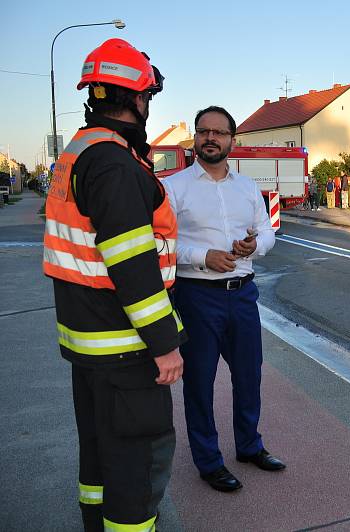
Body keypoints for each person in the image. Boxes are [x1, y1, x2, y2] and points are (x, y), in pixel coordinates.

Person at [42, 38, 184, 531]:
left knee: (100, 453)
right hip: (125, 347)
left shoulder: (81, 150)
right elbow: (131, 265)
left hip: (90, 342)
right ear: (135, 99)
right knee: (135, 464)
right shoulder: (114, 162)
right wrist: (164, 346)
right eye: (147, 98)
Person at [164, 106, 286, 493]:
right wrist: (204, 257)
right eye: (204, 131)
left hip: (243, 294)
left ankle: (249, 446)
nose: (211, 138)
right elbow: (160, 243)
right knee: (200, 382)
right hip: (196, 296)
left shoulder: (247, 187)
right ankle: (209, 461)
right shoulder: (173, 187)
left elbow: (266, 232)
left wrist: (254, 246)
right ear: (195, 139)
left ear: (233, 140)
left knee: (249, 375)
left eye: (220, 132)